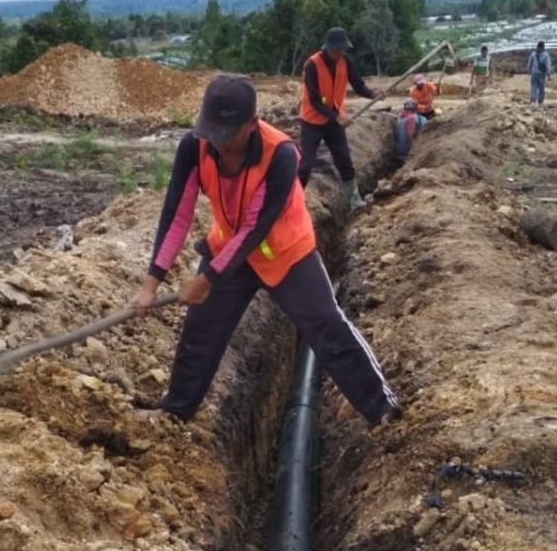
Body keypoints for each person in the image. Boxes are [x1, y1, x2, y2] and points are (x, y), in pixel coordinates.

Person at [133, 75, 402, 427]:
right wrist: (151, 283)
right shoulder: (194, 147)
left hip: (287, 253)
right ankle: (176, 412)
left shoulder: (281, 155)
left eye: (226, 135)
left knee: (326, 326)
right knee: (199, 335)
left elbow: (253, 229)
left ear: (251, 123)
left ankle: (382, 409)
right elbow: (177, 215)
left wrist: (208, 279)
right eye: (211, 133)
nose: (219, 145)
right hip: (227, 249)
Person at [298, 27, 387, 210]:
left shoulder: (345, 61)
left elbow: (358, 85)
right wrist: (336, 117)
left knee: (345, 161)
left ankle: (354, 201)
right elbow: (314, 101)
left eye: (343, 49)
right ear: (329, 47)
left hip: (333, 122)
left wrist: (373, 94)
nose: (341, 53)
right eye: (338, 49)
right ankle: (294, 204)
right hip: (312, 122)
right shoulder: (312, 65)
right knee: (305, 165)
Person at [526, 41, 551, 106]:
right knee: (541, 88)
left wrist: (529, 71)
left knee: (533, 87)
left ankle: (533, 101)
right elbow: (548, 65)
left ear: (537, 46)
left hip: (534, 73)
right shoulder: (546, 55)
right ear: (543, 47)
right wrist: (548, 74)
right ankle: (540, 101)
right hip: (542, 74)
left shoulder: (533, 54)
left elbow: (529, 64)